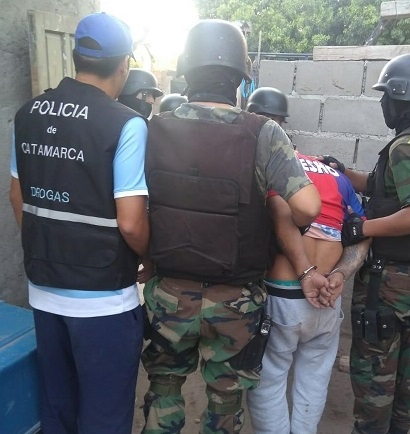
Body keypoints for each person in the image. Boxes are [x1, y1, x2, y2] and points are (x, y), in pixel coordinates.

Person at [140, 19, 329, 434]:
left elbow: (135, 209)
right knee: (225, 402)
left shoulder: (153, 128)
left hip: (168, 294)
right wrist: (276, 218)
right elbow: (308, 206)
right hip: (235, 302)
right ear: (241, 78)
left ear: (187, 72)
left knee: (163, 389)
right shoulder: (263, 132)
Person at [9, 12, 150, 434]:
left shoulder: (28, 113)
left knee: (58, 410)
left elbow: (17, 196)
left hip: (43, 291)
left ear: (76, 58)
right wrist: (153, 257)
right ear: (123, 65)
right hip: (103, 300)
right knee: (103, 417)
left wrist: (48, 246)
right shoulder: (126, 123)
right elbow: (131, 223)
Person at [323, 53, 410, 434]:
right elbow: (386, 188)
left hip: (390, 284)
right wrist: (343, 173)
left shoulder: (408, 146)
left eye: (386, 94)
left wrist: (363, 228)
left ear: (402, 95)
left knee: (375, 374)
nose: (383, 102)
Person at [245, 87, 369, 434]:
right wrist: (341, 274)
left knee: (269, 378)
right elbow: (362, 231)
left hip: (283, 294)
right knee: (314, 376)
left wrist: (305, 272)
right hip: (329, 295)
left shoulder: (270, 166)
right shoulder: (334, 174)